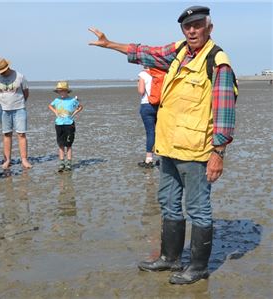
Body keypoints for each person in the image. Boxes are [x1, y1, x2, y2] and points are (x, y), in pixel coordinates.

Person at [89, 5, 237, 284]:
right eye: (186, 26)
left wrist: (218, 152)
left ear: (209, 28)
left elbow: (225, 111)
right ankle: (170, 258)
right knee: (168, 203)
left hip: (196, 151)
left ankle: (198, 267)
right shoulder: (179, 51)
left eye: (197, 25)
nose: (191, 31)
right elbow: (147, 52)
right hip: (168, 146)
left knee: (198, 208)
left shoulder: (218, 61)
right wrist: (109, 44)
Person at [0, 58, 32, 169]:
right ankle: (7, 160)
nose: (2, 73)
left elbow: (26, 92)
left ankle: (24, 159)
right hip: (4, 110)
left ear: (8, 67)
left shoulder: (20, 76)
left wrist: (19, 103)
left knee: (21, 134)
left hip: (19, 109)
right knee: (6, 134)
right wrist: (3, 104)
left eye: (3, 70)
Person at [48, 81, 83, 171]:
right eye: (59, 91)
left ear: (67, 91)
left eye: (63, 91)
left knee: (69, 144)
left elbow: (80, 107)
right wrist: (55, 112)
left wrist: (74, 114)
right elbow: (50, 106)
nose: (61, 93)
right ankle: (62, 162)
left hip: (69, 124)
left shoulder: (72, 100)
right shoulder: (56, 100)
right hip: (59, 124)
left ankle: (69, 163)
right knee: (60, 144)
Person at [137, 67, 159, 168]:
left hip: (147, 104)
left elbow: (141, 91)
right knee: (161, 131)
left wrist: (139, 82)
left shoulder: (143, 74)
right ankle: (163, 158)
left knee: (150, 132)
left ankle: (149, 159)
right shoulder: (160, 72)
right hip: (159, 105)